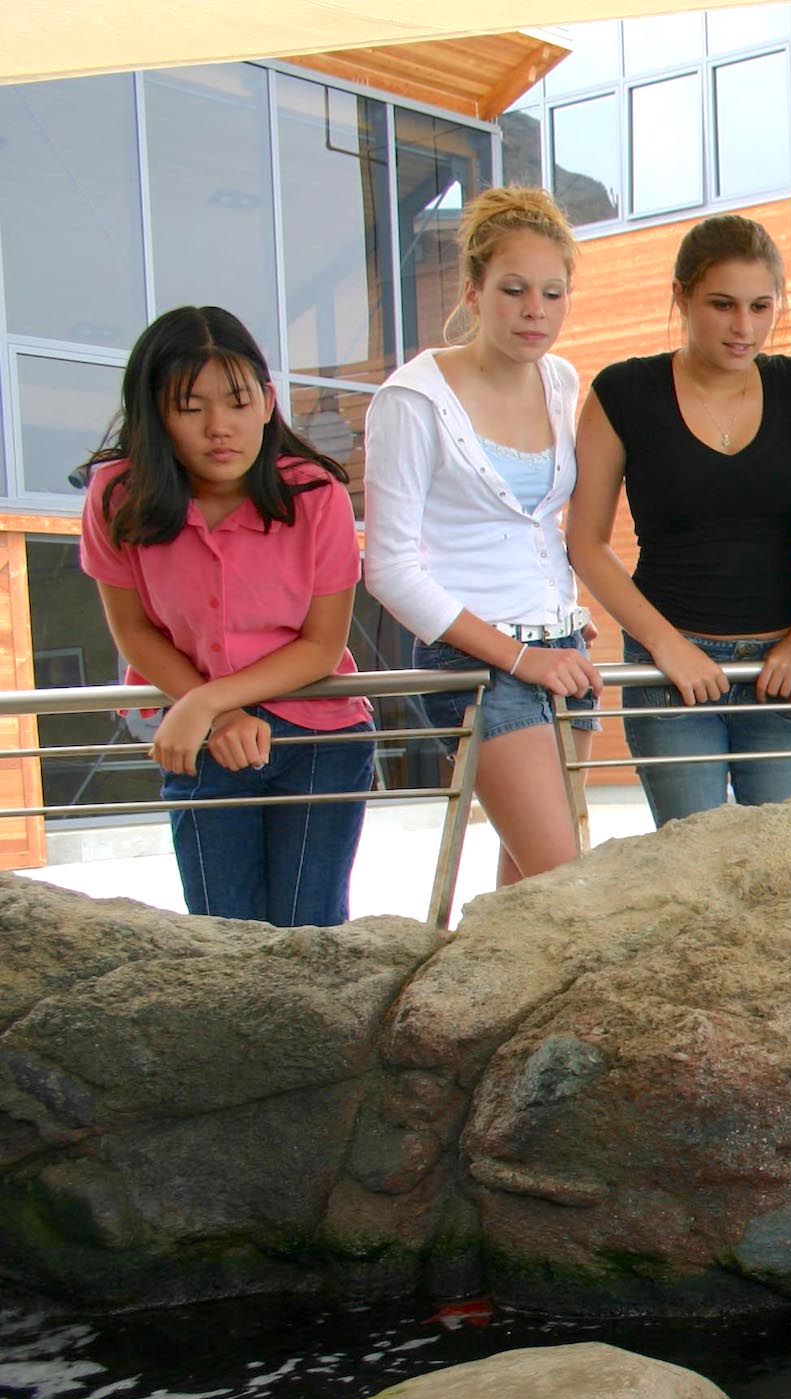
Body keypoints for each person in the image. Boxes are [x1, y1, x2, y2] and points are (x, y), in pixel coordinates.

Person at [82, 306, 375, 928]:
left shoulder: (314, 494)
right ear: (155, 414)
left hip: (318, 736)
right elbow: (133, 630)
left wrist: (206, 702)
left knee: (310, 937)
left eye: (239, 402)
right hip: (198, 736)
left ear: (268, 403)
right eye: (191, 408)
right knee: (222, 940)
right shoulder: (117, 495)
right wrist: (209, 710)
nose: (220, 428)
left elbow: (322, 646)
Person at [364, 186, 604, 888]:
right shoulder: (412, 399)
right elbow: (388, 569)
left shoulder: (560, 380)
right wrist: (518, 657)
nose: (536, 311)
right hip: (478, 662)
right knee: (566, 883)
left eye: (553, 293)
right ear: (472, 291)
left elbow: (541, 528)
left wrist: (559, 624)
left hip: (562, 652)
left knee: (528, 896)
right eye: (514, 289)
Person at [569, 215, 791, 824]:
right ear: (681, 296)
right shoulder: (624, 391)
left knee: (788, 873)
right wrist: (665, 648)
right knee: (692, 874)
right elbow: (585, 542)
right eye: (723, 305)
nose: (745, 327)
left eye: (762, 306)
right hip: (669, 672)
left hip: (779, 670)